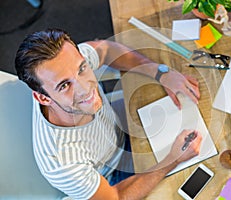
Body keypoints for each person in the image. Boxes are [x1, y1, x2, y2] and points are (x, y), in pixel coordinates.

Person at [15, 28, 202, 200]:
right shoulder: (62, 163)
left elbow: (106, 50)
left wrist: (159, 72)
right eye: (65, 85)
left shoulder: (65, 62)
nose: (85, 88)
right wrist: (173, 159)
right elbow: (116, 197)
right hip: (113, 177)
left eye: (82, 69)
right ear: (43, 99)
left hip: (116, 128)